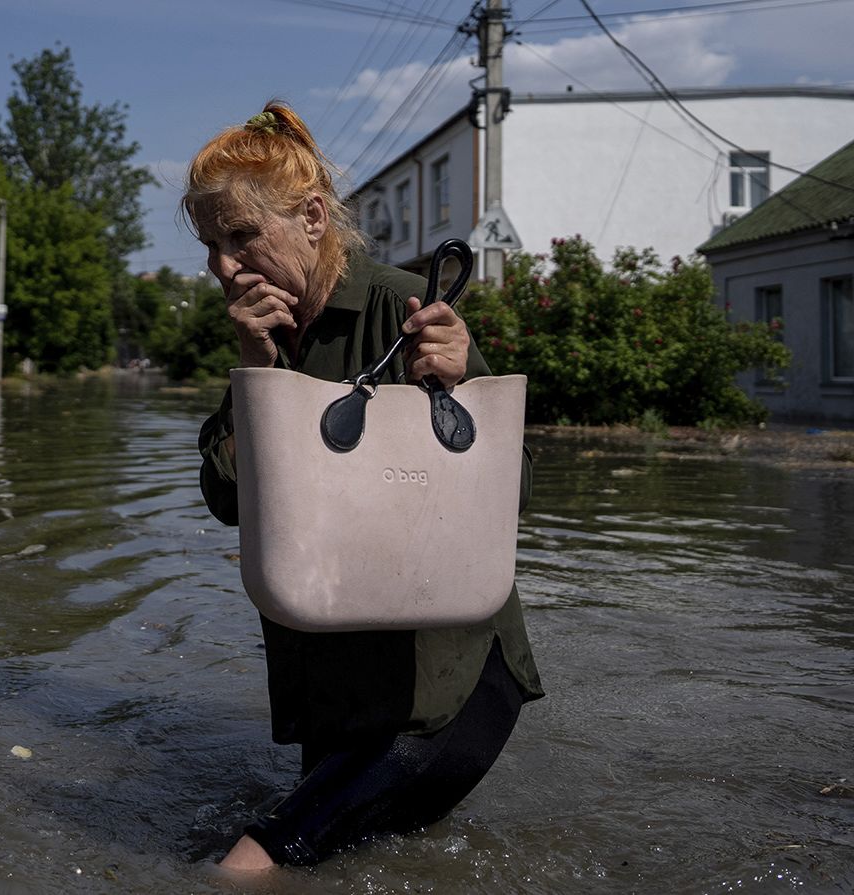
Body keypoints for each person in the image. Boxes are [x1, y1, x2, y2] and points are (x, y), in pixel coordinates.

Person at [187, 102, 545, 870]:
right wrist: (255, 372)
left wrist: (455, 378)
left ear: (313, 217)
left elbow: (510, 493)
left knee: (249, 866)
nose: (223, 264)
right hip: (336, 689)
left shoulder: (403, 305)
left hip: (443, 687)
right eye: (211, 245)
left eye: (242, 236)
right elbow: (227, 503)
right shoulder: (268, 336)